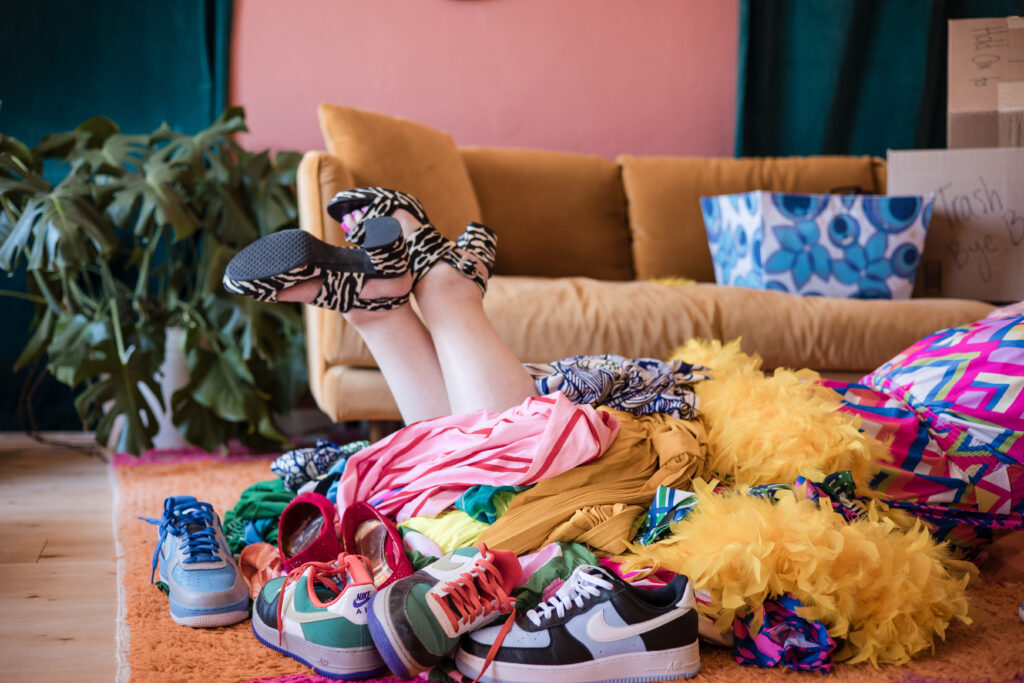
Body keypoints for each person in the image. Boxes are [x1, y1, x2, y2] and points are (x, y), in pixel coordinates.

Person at [224, 187, 1023, 557]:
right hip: (892, 426)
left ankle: (379, 309)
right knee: (550, 471)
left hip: (887, 402)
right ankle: (442, 294)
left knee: (467, 492)